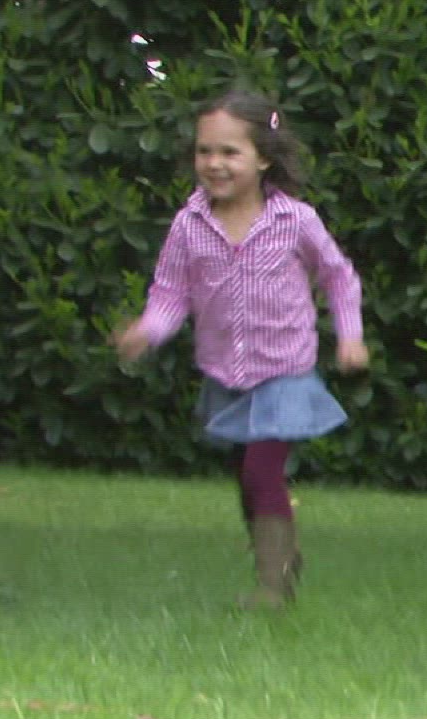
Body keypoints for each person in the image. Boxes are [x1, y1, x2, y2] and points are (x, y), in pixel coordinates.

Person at [112, 90, 369, 608]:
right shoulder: (189, 225)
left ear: (263, 158)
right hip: (226, 374)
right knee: (247, 481)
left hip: (284, 372)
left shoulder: (295, 221)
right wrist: (148, 330)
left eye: (230, 152)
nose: (215, 163)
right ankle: (281, 557)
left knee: (261, 471)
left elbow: (338, 279)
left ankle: (273, 588)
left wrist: (351, 337)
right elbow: (171, 293)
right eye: (205, 151)